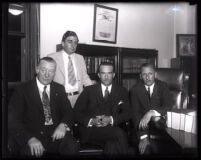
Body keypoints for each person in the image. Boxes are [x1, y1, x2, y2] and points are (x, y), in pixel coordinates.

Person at [8, 57, 79, 157]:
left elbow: (69, 112)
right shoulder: (22, 90)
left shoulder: (59, 88)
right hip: (32, 136)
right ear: (37, 70)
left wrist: (63, 125)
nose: (47, 75)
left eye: (51, 71)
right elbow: (12, 121)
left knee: (72, 145)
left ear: (55, 72)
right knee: (30, 152)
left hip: (55, 135)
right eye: (43, 70)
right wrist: (30, 138)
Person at [74, 62, 133, 156]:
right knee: (119, 133)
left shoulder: (121, 91)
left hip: (111, 130)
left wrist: (110, 119)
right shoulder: (88, 90)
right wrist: (91, 121)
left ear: (113, 75)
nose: (106, 77)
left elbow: (128, 113)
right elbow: (76, 113)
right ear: (99, 75)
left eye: (109, 73)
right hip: (92, 131)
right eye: (103, 73)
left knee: (112, 145)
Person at [130, 63, 173, 155]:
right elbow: (135, 114)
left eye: (150, 74)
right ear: (140, 76)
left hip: (160, 128)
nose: (147, 77)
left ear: (155, 74)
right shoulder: (135, 90)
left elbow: (168, 106)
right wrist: (143, 137)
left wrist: (151, 113)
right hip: (141, 129)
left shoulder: (163, 86)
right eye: (144, 74)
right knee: (146, 151)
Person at [48, 30, 92, 108]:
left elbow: (85, 77)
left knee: (77, 119)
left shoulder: (80, 58)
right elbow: (48, 78)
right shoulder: (52, 57)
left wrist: (94, 91)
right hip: (60, 98)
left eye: (75, 42)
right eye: (70, 41)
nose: (73, 45)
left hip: (79, 97)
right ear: (63, 43)